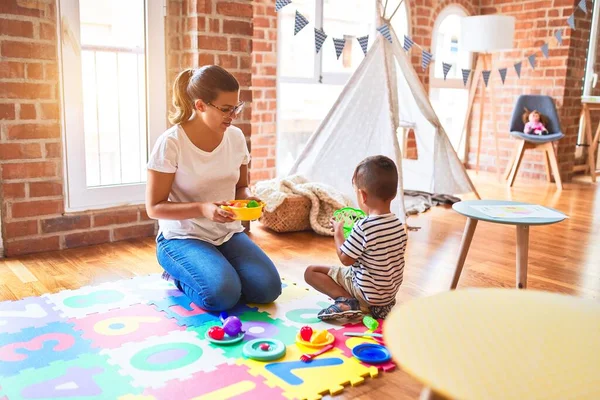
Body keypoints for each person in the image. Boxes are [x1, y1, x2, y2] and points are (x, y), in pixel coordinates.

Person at [145, 65, 281, 312]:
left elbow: (241, 187)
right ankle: (178, 273)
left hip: (227, 233)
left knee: (268, 289)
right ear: (200, 106)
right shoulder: (171, 143)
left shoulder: (236, 137)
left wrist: (251, 201)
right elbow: (154, 208)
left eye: (236, 107)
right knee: (222, 297)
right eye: (226, 109)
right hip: (182, 237)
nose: (233, 115)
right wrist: (201, 208)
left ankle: (217, 269)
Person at [304, 155, 407, 320]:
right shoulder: (399, 226)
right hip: (387, 298)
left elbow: (345, 260)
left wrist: (338, 233)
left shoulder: (364, 227)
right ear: (393, 193)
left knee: (311, 271)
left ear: (363, 196)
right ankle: (378, 308)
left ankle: (348, 301)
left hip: (365, 293)